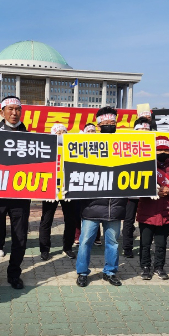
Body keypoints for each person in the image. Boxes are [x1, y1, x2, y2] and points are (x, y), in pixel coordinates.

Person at [0, 95, 31, 293]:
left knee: (20, 238)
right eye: (10, 109)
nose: (14, 112)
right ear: (2, 112)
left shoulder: (30, 136)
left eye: (17, 109)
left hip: (20, 196)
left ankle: (14, 274)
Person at [75, 106, 127, 287]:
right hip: (92, 204)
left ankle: (110, 271)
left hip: (116, 204)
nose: (108, 125)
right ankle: (82, 272)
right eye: (105, 122)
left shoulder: (125, 145)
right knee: (85, 241)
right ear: (98, 124)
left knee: (112, 242)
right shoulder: (88, 144)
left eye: (112, 122)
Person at [137, 136, 169, 280]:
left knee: (161, 243)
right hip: (147, 210)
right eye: (158, 149)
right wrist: (150, 189)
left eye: (165, 150)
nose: (162, 152)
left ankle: (159, 267)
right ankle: (145, 267)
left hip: (165, 211)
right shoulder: (145, 164)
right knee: (145, 243)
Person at [39, 123, 77, 260]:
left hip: (67, 189)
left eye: (63, 132)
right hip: (51, 189)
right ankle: (44, 249)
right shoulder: (47, 149)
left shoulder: (72, 150)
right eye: (58, 132)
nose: (61, 134)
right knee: (46, 220)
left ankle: (68, 247)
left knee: (70, 220)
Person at [122, 116, 152, 258]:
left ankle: (144, 247)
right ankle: (127, 247)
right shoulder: (127, 144)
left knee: (146, 220)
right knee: (129, 220)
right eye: (141, 129)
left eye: (147, 129)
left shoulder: (154, 145)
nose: (144, 131)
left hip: (148, 190)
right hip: (131, 190)